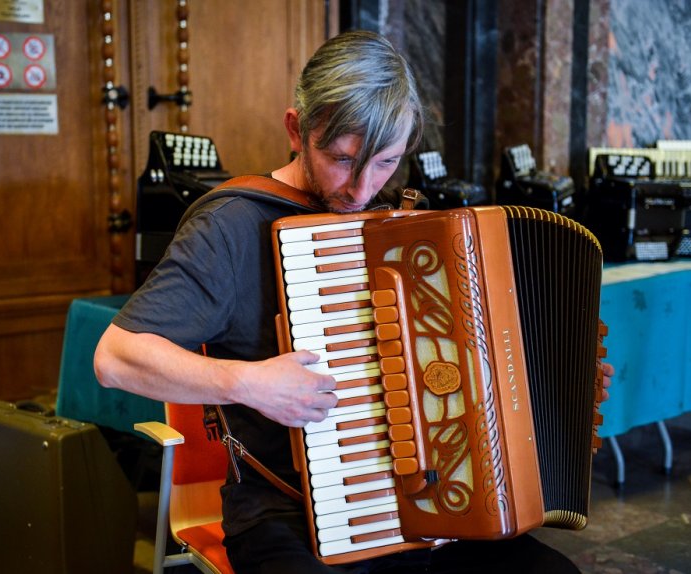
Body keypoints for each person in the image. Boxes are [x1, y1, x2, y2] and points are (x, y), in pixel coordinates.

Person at [94, 30, 614, 574]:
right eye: (342, 159)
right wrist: (249, 383)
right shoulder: (229, 225)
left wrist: (557, 382)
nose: (362, 189)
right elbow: (115, 357)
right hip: (286, 515)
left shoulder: (407, 229)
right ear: (296, 129)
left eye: (386, 162)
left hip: (430, 510)